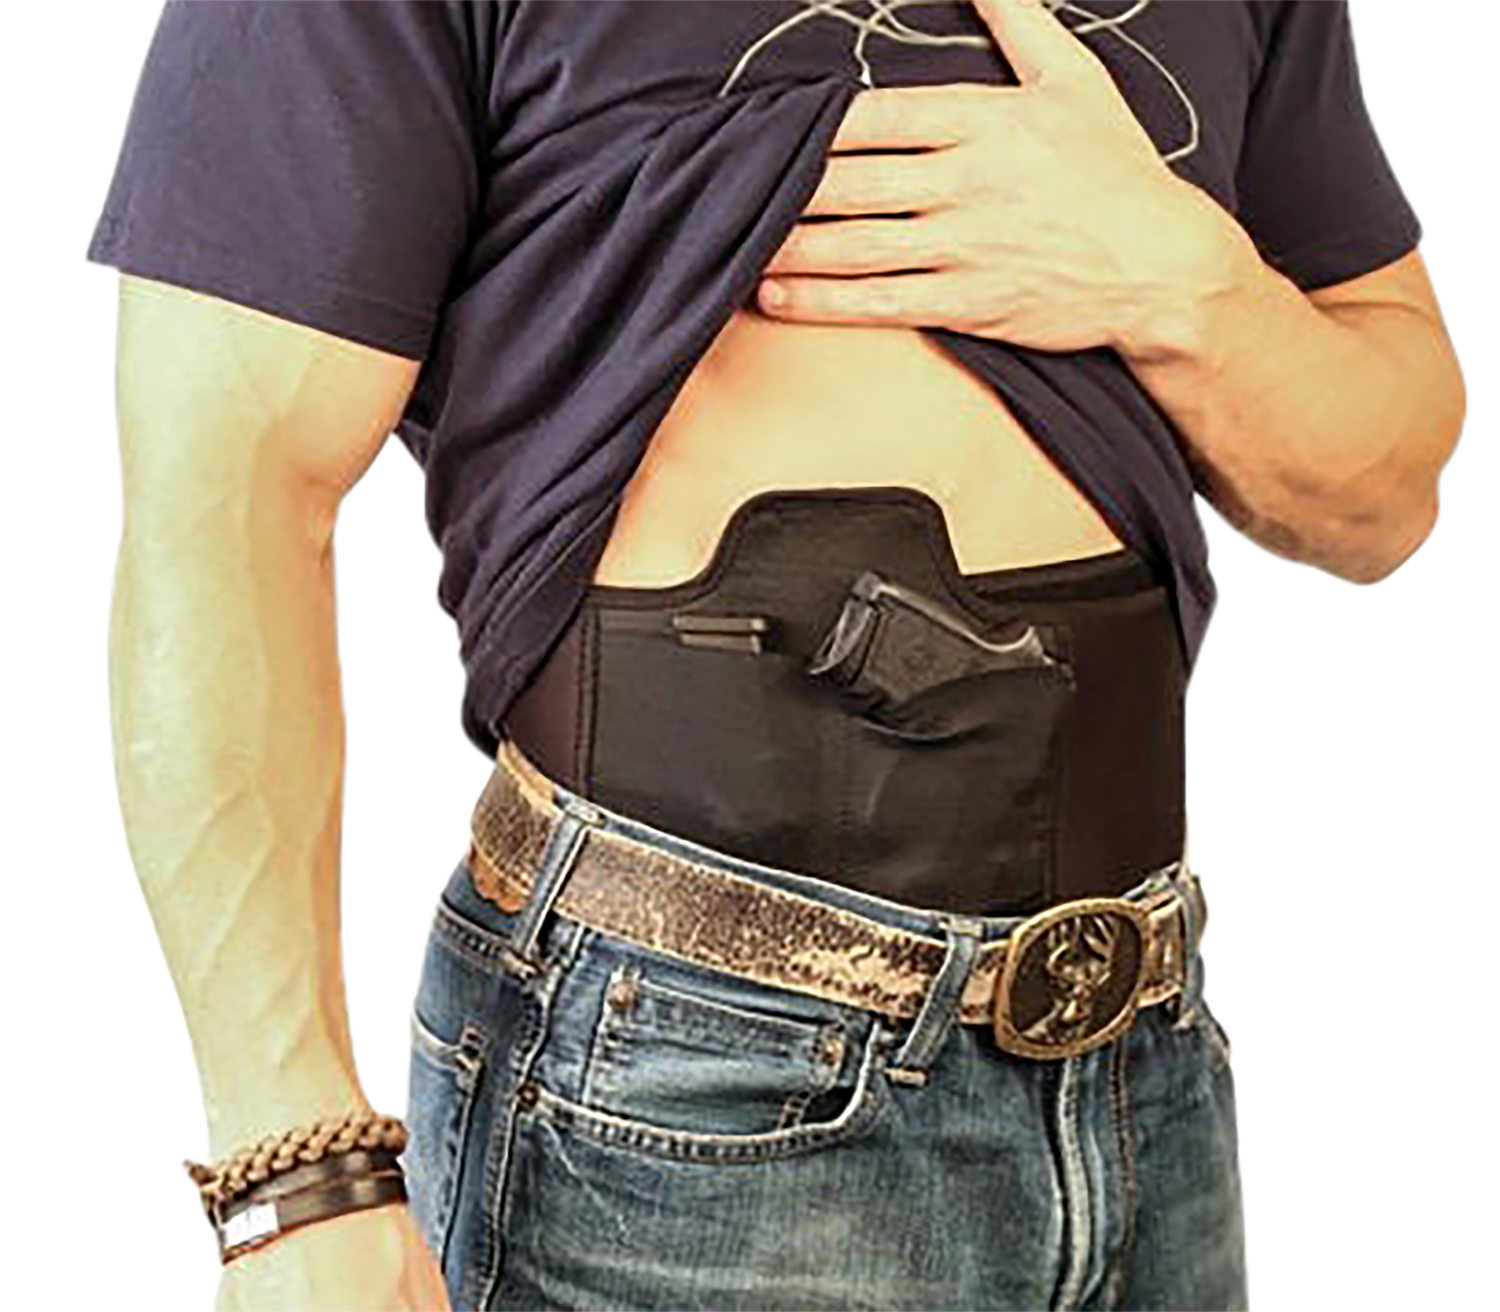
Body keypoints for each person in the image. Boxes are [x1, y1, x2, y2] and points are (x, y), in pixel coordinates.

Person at [88, 1, 1464, 1309]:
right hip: (686, 1066)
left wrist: (1190, 288)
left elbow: (1384, 493)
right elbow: (226, 502)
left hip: (1138, 1039)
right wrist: (296, 1175)